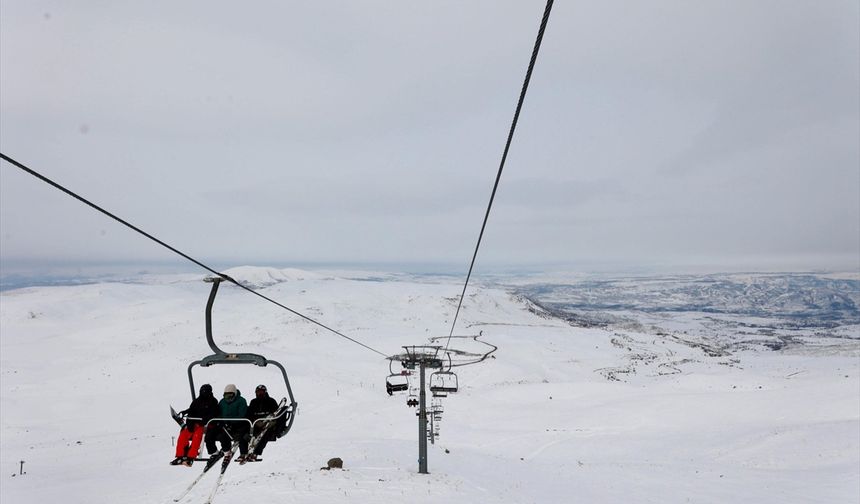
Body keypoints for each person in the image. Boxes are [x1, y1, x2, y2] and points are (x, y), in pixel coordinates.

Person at [171, 383, 219, 467]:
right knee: (183, 435)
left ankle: (190, 457)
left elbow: (214, 413)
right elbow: (192, 410)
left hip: (206, 425)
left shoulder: (213, 401)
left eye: (205, 391)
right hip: (195, 423)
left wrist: (206, 418)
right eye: (202, 391)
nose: (203, 393)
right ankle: (180, 456)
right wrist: (189, 420)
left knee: (197, 437)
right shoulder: (197, 401)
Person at [204, 384, 248, 459]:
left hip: (237, 425)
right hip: (224, 424)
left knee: (223, 436)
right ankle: (213, 452)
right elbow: (218, 412)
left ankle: (228, 452)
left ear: (235, 394)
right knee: (209, 434)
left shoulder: (241, 401)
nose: (228, 398)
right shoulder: (222, 402)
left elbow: (242, 415)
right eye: (226, 396)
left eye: (230, 395)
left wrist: (230, 422)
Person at [241, 384, 280, 462]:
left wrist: (272, 423)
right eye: (258, 392)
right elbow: (249, 414)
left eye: (262, 392)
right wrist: (255, 422)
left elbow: (276, 414)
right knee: (243, 433)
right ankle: (243, 453)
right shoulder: (253, 402)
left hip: (268, 425)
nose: (260, 393)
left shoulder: (271, 401)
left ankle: (256, 453)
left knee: (264, 436)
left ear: (265, 392)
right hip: (256, 424)